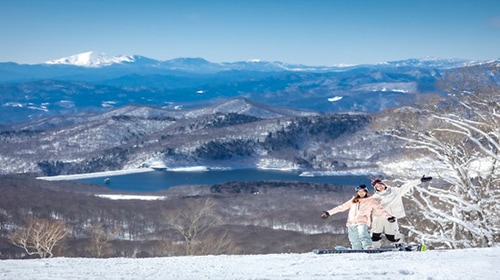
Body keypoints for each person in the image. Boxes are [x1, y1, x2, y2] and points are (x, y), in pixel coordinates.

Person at [321, 184, 395, 250]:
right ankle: (356, 249)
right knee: (353, 238)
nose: (361, 193)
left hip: (362, 221)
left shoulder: (371, 200)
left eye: (363, 191)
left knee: (363, 234)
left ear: (366, 192)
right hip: (351, 222)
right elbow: (341, 207)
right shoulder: (353, 201)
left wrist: (389, 217)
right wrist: (328, 213)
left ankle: (368, 246)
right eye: (359, 191)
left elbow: (380, 209)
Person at [370, 175, 432, 248]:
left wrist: (420, 180)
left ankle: (400, 244)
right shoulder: (375, 197)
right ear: (376, 189)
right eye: (378, 187)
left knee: (391, 236)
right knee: (375, 234)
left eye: (381, 185)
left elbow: (407, 186)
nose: (380, 187)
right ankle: (375, 247)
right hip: (378, 217)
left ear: (384, 184)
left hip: (391, 217)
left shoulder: (395, 191)